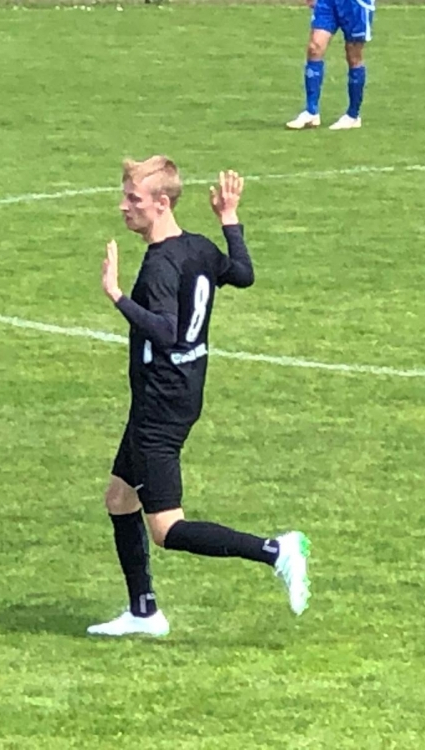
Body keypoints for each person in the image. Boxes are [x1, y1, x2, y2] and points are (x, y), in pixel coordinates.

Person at [89, 156, 311, 638]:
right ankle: (143, 612)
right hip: (182, 392)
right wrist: (229, 219)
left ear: (161, 203)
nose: (123, 206)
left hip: (160, 404)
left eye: (133, 198)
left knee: (166, 528)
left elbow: (166, 331)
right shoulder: (198, 247)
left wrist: (117, 296)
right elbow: (243, 273)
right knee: (119, 498)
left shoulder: (159, 266)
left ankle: (276, 550)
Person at [286, 0, 375, 131]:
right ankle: (311, 111)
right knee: (314, 48)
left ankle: (353, 115)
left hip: (355, 5)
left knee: (353, 55)